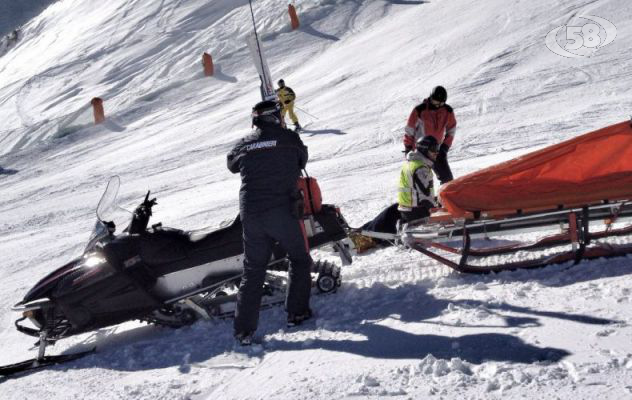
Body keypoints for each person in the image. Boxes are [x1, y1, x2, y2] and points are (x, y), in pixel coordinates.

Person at [227, 100, 313, 345]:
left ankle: (243, 331)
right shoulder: (289, 139)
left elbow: (231, 164)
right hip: (282, 211)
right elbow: (302, 160)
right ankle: (297, 312)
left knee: (253, 270)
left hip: (251, 214)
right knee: (299, 258)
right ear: (276, 117)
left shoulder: (245, 143)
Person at [404, 85, 456, 185]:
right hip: (420, 151)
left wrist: (444, 147)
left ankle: (445, 199)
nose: (437, 105)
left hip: (436, 152)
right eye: (435, 101)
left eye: (440, 103)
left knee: (448, 180)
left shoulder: (448, 111)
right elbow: (409, 131)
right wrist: (408, 148)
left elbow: (451, 130)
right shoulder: (420, 110)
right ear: (431, 97)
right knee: (420, 181)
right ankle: (418, 199)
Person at [398, 135, 439, 223]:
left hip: (406, 209)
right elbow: (424, 198)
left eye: (437, 149)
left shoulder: (410, 163)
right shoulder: (421, 169)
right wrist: (437, 208)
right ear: (424, 149)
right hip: (416, 212)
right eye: (433, 149)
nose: (436, 152)